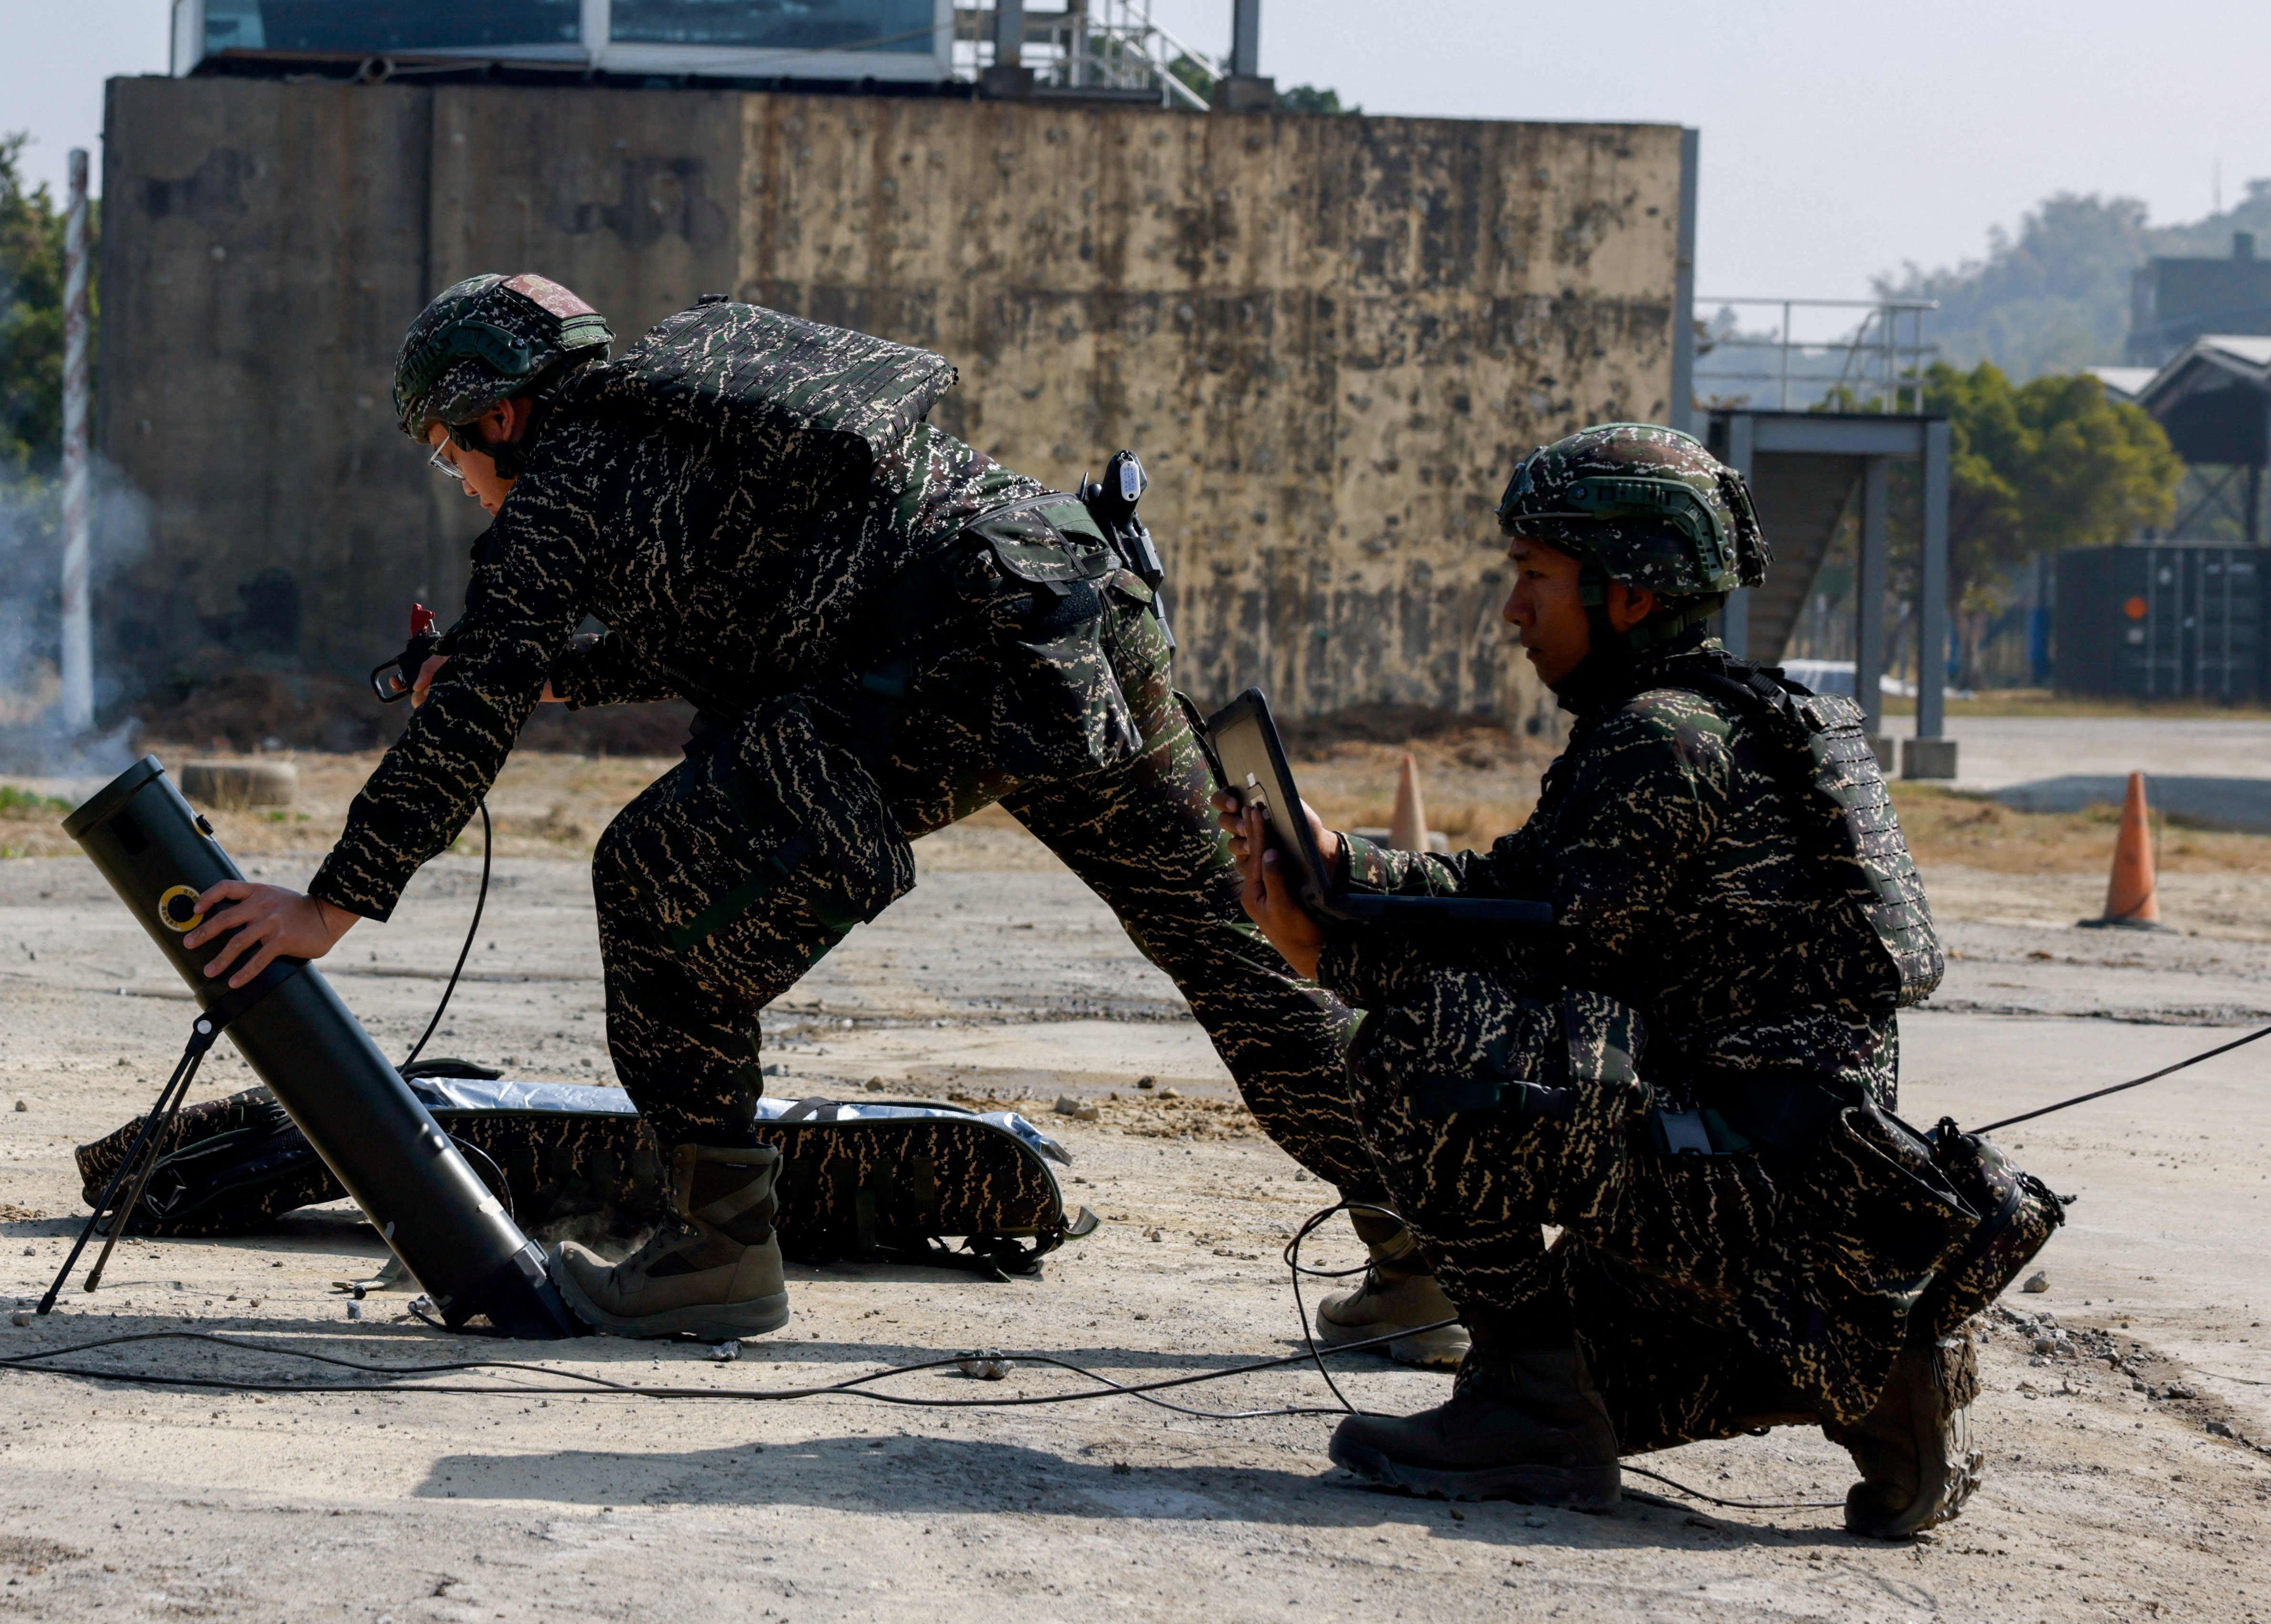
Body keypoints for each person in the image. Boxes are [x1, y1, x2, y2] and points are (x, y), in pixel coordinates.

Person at [185, 272, 1383, 1341]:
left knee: (652, 882)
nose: (470, 485)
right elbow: (750, 611)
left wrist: (330, 906)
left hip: (950, 665)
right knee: (1236, 950)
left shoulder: (561, 485)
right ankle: (1421, 1249)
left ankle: (716, 1253)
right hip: (1071, 602)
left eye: (456, 452)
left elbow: (465, 726)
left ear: (500, 412)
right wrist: (560, 668)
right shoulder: (685, 409)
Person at [1223, 423, 2060, 1535]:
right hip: (1762, 1171)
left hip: (1739, 1178)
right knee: (1612, 1389)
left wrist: (1335, 951)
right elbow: (1523, 892)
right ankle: (1866, 1373)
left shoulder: (1662, 742)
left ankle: (1528, 1412)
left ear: (1623, 595)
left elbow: (1545, 958)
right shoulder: (1707, 720)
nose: (1513, 611)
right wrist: (1344, 871)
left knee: (1425, 1043)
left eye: (1534, 578)